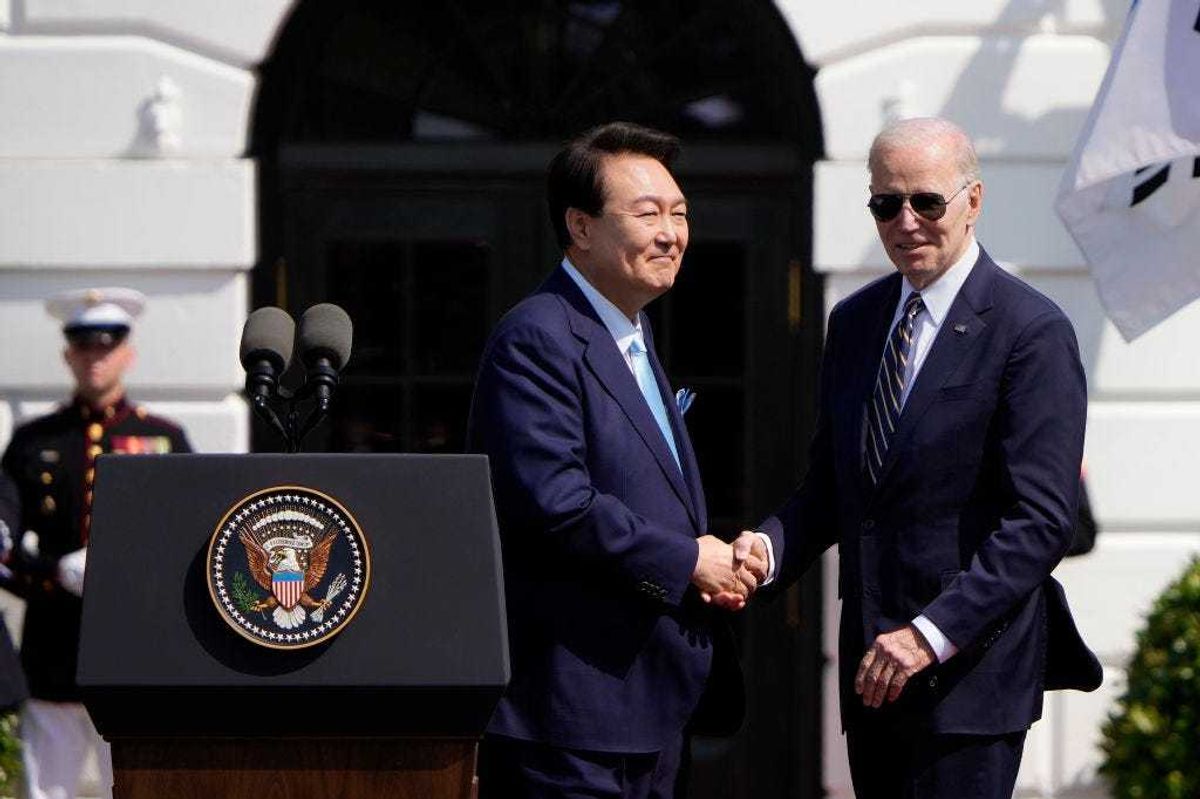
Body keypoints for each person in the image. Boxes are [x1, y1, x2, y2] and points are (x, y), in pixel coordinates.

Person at [736, 117, 1102, 799]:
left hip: (967, 677)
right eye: (885, 203)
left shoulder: (1030, 329)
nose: (906, 221)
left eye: (926, 201)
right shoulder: (855, 321)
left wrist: (930, 634)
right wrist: (765, 548)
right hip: (872, 670)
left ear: (974, 201)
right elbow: (830, 488)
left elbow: (1041, 521)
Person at [467, 122, 763, 798]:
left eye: (681, 214)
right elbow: (557, 503)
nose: (672, 233)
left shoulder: (630, 330)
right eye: (648, 213)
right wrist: (689, 559)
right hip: (570, 718)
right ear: (580, 226)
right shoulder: (538, 338)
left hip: (645, 709)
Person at [1, 287, 192, 799]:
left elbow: (188, 540)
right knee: (48, 791)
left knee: (138, 787)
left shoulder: (164, 438)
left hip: (137, 649)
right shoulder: (34, 441)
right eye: (84, 349)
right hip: (54, 647)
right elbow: (2, 542)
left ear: (127, 354)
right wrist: (52, 571)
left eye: (106, 349)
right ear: (68, 355)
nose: (95, 360)